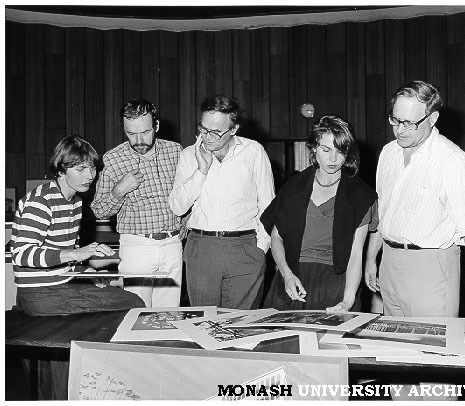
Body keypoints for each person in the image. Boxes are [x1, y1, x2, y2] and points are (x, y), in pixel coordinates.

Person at [365, 80, 465, 334]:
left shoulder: (452, 161)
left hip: (432, 268)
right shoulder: (387, 154)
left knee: (433, 357)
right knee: (395, 354)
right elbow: (383, 213)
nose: (400, 130)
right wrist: (372, 259)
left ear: (432, 117)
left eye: (410, 123)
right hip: (390, 262)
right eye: (395, 120)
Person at [11, 135, 145, 317]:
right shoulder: (40, 201)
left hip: (63, 285)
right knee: (134, 302)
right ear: (61, 171)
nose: (90, 176)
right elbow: (21, 254)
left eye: (92, 168)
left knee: (132, 300)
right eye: (81, 169)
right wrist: (77, 253)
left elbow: (66, 260)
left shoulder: (75, 202)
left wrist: (86, 271)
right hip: (39, 294)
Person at [260, 115, 377, 311]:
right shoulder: (294, 188)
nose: (333, 159)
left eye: (340, 151)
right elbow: (276, 238)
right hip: (293, 278)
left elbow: (356, 254)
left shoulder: (360, 195)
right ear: (314, 148)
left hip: (337, 282)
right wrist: (286, 274)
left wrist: (348, 301)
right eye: (326, 150)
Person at [169, 95, 275, 310]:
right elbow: (177, 207)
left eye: (216, 132)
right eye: (203, 128)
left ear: (233, 129)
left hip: (244, 247)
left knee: (242, 326)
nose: (207, 137)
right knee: (204, 324)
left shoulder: (253, 152)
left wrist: (260, 249)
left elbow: (268, 205)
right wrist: (201, 170)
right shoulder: (189, 155)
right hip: (202, 247)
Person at [91, 99, 182, 307]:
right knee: (136, 312)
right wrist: (118, 191)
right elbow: (99, 211)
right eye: (131, 134)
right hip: (136, 247)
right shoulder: (112, 159)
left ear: (156, 126)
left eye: (145, 132)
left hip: (173, 245)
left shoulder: (176, 152)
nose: (139, 140)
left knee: (168, 316)